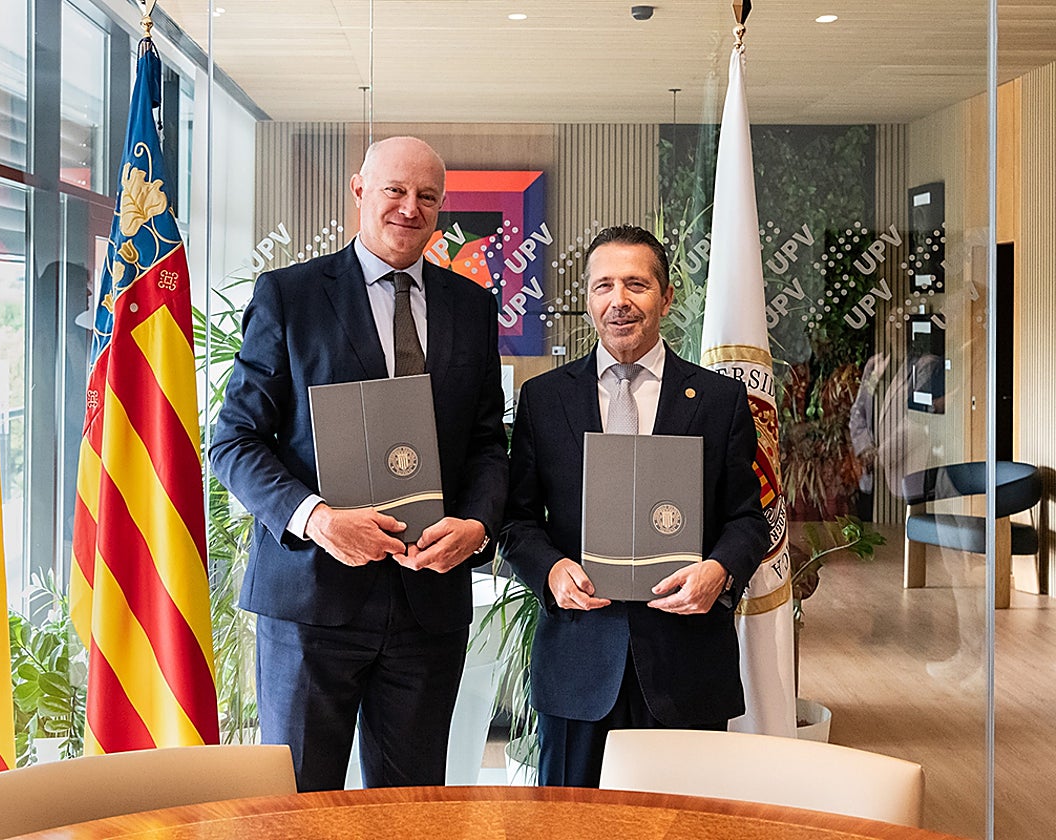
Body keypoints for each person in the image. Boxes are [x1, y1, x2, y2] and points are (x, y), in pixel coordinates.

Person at [210, 136, 509, 792]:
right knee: (296, 808)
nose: (410, 207)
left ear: (441, 207)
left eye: (427, 196)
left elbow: (488, 443)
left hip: (428, 604)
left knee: (409, 812)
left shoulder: (471, 307)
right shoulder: (290, 296)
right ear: (359, 191)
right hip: (310, 601)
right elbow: (232, 440)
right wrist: (315, 519)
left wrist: (478, 526)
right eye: (394, 191)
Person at [500, 224, 769, 787]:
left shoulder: (717, 400)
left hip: (685, 660)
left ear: (666, 297)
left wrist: (719, 573)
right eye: (603, 286)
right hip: (578, 659)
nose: (618, 301)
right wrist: (550, 570)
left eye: (636, 284)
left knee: (681, 824)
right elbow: (517, 520)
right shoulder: (546, 399)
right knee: (569, 828)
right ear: (589, 299)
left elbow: (747, 518)